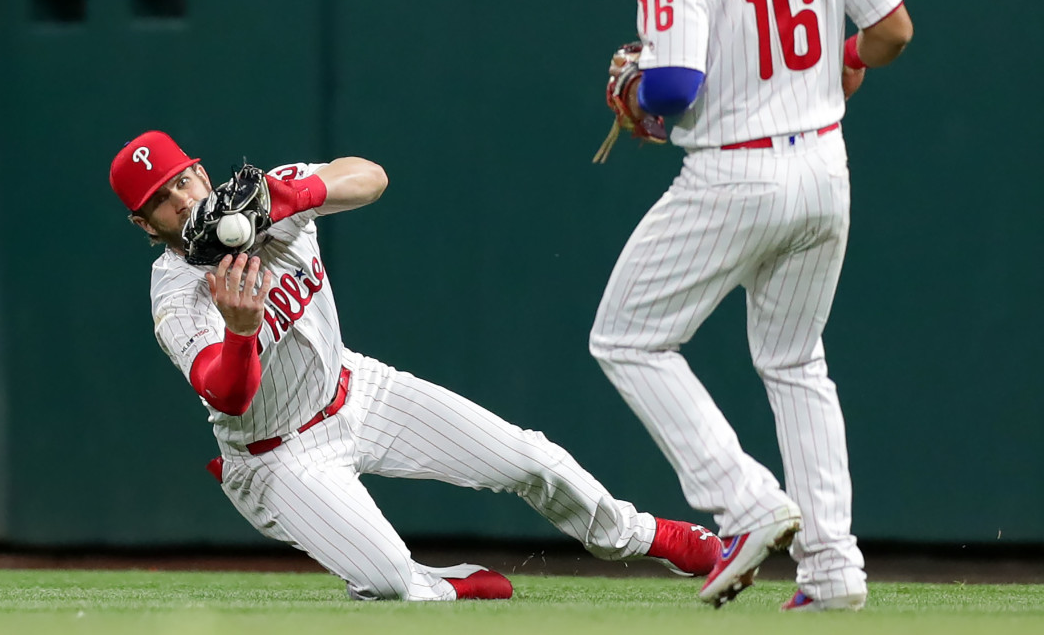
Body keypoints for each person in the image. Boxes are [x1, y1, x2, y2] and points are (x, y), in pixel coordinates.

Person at [108, 130, 722, 601]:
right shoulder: (178, 296)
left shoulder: (268, 194)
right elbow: (230, 394)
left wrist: (293, 196)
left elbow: (370, 177)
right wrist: (241, 333)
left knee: (531, 457)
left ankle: (646, 537)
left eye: (184, 179)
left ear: (201, 170)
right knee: (391, 583)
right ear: (143, 224)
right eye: (161, 200)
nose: (184, 200)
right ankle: (437, 583)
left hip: (355, 390)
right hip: (276, 456)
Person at [588, 0, 913, 612]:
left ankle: (746, 500)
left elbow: (676, 88)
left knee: (625, 339)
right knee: (796, 360)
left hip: (733, 174)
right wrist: (841, 56)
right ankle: (834, 567)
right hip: (824, 168)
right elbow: (892, 32)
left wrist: (638, 93)